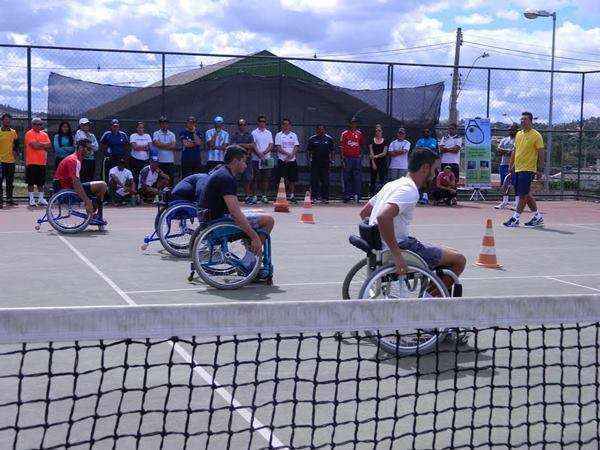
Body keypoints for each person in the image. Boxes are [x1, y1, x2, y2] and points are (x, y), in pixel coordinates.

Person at [359, 148, 466, 295]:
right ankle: (428, 298)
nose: (435, 175)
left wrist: (380, 236)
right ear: (425, 168)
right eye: (434, 170)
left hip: (387, 247)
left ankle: (430, 289)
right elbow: (383, 217)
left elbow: (364, 213)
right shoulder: (409, 190)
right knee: (459, 260)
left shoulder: (392, 184)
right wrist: (397, 254)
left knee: (450, 251)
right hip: (401, 247)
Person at [199, 145, 275, 279]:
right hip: (220, 224)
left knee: (258, 212)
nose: (246, 164)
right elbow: (235, 213)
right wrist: (254, 237)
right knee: (268, 220)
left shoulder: (222, 172)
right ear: (235, 161)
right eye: (244, 161)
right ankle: (249, 262)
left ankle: (250, 254)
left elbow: (232, 206)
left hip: (212, 218)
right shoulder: (227, 179)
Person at [503, 112, 545, 228]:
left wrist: (540, 169)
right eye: (521, 120)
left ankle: (515, 218)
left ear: (530, 121)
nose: (522, 122)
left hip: (528, 169)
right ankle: (537, 217)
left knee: (522, 195)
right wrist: (511, 166)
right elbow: (515, 151)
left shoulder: (536, 135)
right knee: (525, 193)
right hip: (518, 169)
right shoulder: (519, 134)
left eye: (524, 119)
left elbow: (541, 153)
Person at [53, 139, 107, 224]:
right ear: (81, 148)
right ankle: (94, 214)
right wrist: (86, 201)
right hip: (65, 188)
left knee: (98, 188)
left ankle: (94, 214)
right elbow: (76, 182)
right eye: (89, 149)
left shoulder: (77, 159)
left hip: (66, 186)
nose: (91, 151)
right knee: (102, 185)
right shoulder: (74, 160)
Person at [24, 118, 52, 207]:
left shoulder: (44, 134)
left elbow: (49, 146)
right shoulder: (29, 133)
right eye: (37, 124)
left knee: (41, 182)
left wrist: (39, 144)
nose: (39, 126)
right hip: (31, 162)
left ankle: (41, 199)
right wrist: (43, 145)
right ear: (33, 125)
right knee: (31, 182)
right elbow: (34, 146)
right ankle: (31, 199)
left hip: (42, 162)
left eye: (40, 124)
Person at [230, 118, 257, 204]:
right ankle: (234, 196)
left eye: (244, 124)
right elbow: (233, 145)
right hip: (236, 160)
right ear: (238, 126)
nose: (242, 126)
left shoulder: (249, 135)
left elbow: (252, 146)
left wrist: (240, 144)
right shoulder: (235, 135)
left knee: (247, 178)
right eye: (240, 124)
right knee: (235, 178)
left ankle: (248, 196)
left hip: (247, 160)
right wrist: (245, 146)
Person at [307, 124, 335, 204]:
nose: (320, 131)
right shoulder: (312, 139)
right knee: (314, 181)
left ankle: (325, 198)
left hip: (326, 163)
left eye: (322, 129)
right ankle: (314, 197)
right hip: (315, 163)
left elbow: (332, 151)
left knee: (325, 181)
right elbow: (308, 151)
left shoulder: (329, 139)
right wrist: (309, 160)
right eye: (319, 129)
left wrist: (332, 160)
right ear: (316, 130)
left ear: (325, 130)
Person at [274, 118, 300, 203]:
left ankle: (292, 195)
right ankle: (282, 195)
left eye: (287, 124)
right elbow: (278, 147)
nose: (286, 126)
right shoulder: (279, 135)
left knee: (292, 179)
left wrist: (291, 155)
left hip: (292, 160)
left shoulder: (294, 135)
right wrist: (287, 154)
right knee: (282, 178)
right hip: (282, 160)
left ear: (290, 125)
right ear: (282, 125)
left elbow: (296, 146)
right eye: (284, 124)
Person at [251, 115, 275, 204]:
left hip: (266, 159)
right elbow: (253, 144)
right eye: (260, 121)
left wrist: (264, 153)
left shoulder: (268, 133)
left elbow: (271, 145)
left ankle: (264, 196)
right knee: (255, 178)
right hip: (256, 159)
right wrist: (258, 153)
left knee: (265, 178)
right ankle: (254, 196)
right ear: (258, 122)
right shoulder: (254, 132)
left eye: (264, 121)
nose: (262, 123)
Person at [495, 124, 519, 210]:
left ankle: (517, 204)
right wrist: (509, 152)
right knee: (504, 183)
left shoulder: (518, 140)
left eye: (512, 129)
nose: (510, 131)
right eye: (509, 129)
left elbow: (515, 152)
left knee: (515, 184)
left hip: (515, 165)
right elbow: (499, 151)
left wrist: (506, 151)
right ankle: (504, 202)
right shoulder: (504, 140)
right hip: (504, 164)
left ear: (516, 130)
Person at [340, 117, 365, 203]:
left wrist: (360, 156)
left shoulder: (359, 134)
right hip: (347, 158)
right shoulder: (345, 133)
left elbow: (361, 145)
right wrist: (342, 159)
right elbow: (342, 147)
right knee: (347, 177)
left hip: (356, 158)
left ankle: (357, 195)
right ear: (349, 124)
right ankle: (347, 195)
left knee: (357, 177)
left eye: (355, 123)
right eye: (352, 123)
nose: (354, 124)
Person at [0, 113, 19, 207]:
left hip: (11, 161)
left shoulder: (13, 132)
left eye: (9, 119)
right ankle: (0, 200)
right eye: (5, 119)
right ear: (2, 120)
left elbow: (17, 145)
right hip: (1, 161)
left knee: (10, 182)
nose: (7, 121)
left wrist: (16, 152)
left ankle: (9, 199)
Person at [415, 128, 438, 204]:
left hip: (430, 162)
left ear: (430, 133)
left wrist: (424, 149)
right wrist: (427, 149)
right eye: (424, 132)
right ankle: (420, 196)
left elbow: (433, 150)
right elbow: (417, 149)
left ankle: (426, 196)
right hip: (421, 162)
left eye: (427, 131)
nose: (426, 133)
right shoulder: (420, 140)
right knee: (421, 179)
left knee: (429, 179)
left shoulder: (433, 141)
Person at [152, 116, 178, 186]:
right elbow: (157, 144)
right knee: (159, 180)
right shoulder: (156, 133)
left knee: (170, 180)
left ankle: (169, 195)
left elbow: (173, 146)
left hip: (170, 161)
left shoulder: (172, 134)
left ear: (168, 124)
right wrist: (168, 145)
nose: (164, 125)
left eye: (165, 123)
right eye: (162, 123)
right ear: (160, 124)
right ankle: (159, 196)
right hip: (159, 161)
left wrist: (161, 146)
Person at [129, 121, 152, 189]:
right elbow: (135, 147)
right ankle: (135, 192)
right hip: (135, 160)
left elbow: (150, 147)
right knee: (136, 177)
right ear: (136, 128)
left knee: (145, 177)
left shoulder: (147, 136)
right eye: (139, 128)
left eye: (142, 128)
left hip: (145, 160)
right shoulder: (133, 136)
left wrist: (140, 147)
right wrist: (145, 147)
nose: (141, 129)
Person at [74, 118, 98, 183]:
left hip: (91, 159)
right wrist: (89, 144)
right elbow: (83, 141)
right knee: (82, 178)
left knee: (90, 178)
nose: (86, 126)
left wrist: (89, 144)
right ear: (80, 126)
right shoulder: (79, 133)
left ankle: (88, 192)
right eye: (84, 125)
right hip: (82, 160)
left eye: (87, 124)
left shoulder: (92, 135)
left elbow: (96, 148)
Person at [368, 124, 388, 196]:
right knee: (373, 178)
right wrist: (373, 162)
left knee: (382, 179)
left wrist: (376, 156)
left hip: (382, 162)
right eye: (376, 131)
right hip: (374, 162)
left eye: (379, 130)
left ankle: (382, 194)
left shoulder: (385, 141)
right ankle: (372, 194)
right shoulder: (371, 141)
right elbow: (371, 152)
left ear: (381, 131)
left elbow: (384, 153)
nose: (378, 132)